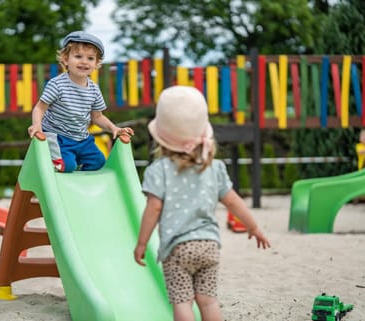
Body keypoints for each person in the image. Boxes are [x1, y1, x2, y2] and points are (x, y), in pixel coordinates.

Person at [133, 86, 270, 321]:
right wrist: (253, 227)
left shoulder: (159, 170)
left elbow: (153, 209)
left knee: (182, 302)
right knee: (208, 302)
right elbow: (233, 201)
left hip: (177, 249)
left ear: (162, 137)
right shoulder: (214, 168)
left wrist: (142, 243)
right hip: (209, 246)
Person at [27, 31, 133, 172]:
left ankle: (79, 186)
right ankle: (53, 161)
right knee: (68, 165)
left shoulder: (94, 89)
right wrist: (36, 126)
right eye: (78, 56)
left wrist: (114, 128)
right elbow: (39, 108)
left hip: (82, 139)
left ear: (96, 64)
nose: (84, 62)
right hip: (58, 137)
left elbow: (98, 117)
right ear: (65, 59)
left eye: (90, 58)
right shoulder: (57, 84)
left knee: (99, 162)